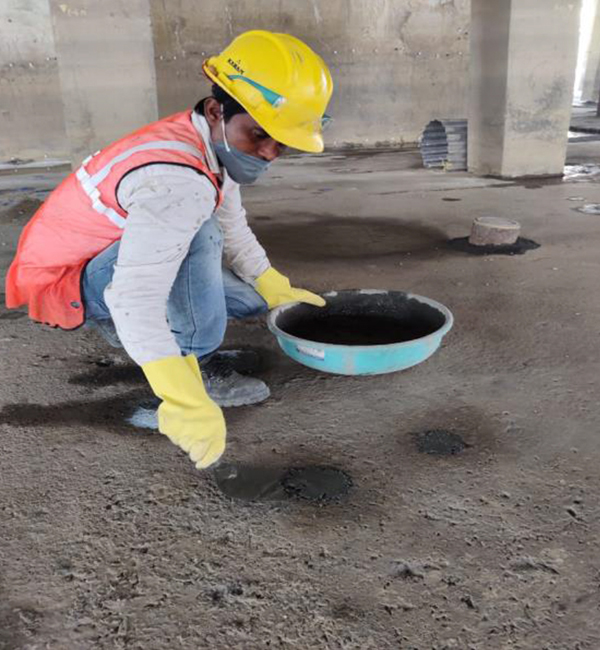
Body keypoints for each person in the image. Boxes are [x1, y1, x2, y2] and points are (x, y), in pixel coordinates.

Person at [5, 30, 333, 470]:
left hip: (104, 255)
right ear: (217, 110)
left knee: (251, 295)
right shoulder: (177, 179)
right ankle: (196, 364)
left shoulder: (210, 143)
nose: (271, 153)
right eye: (260, 135)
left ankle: (191, 343)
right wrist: (180, 395)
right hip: (66, 279)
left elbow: (233, 224)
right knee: (199, 238)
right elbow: (134, 296)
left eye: (283, 142)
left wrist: (272, 283)